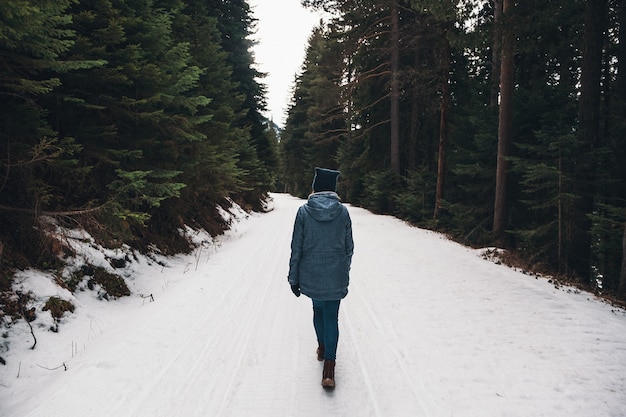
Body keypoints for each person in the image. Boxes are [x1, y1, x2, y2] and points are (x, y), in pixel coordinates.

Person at [288, 167, 354, 389]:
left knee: (318, 311)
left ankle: (322, 347)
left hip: (312, 275)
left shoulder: (303, 212)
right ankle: (329, 369)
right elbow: (349, 248)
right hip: (335, 274)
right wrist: (344, 269)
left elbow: (296, 248)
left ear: (315, 187)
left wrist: (293, 277)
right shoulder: (343, 212)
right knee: (331, 317)